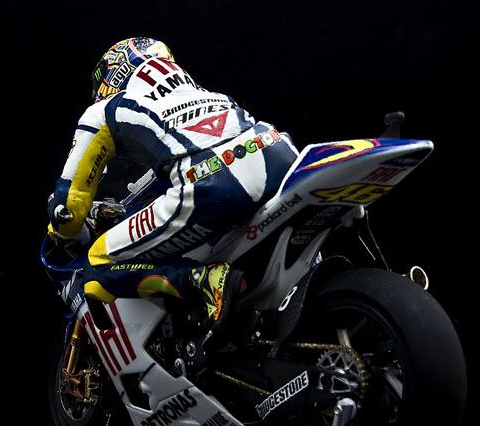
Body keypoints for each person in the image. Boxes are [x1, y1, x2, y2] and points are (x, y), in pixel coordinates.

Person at [47, 37, 297, 334]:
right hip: (277, 150)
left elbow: (70, 204)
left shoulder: (105, 110)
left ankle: (204, 281)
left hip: (213, 181)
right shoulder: (202, 92)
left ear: (113, 75)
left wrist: (62, 230)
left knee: (97, 264)